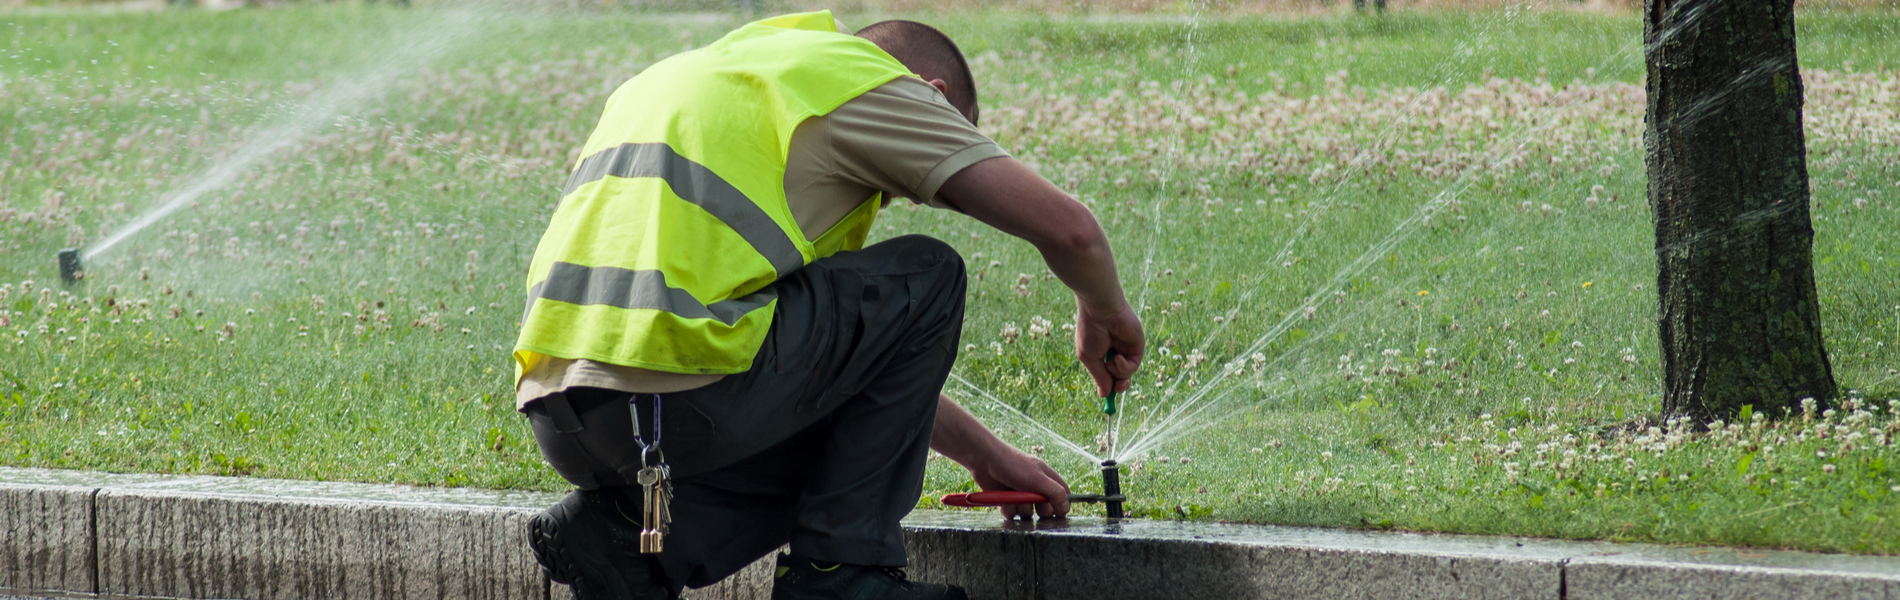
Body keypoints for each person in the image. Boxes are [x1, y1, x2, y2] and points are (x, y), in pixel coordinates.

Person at [512, 11, 1145, 600]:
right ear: (934, 97)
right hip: (681, 397)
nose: (916, 197)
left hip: (565, 415)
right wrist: (1105, 313)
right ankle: (840, 573)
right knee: (930, 273)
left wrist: (985, 454)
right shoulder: (859, 82)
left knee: (835, 424)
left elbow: (835, 377)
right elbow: (1072, 231)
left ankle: (626, 538)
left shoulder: (733, 76)